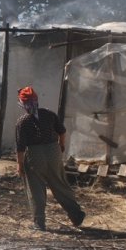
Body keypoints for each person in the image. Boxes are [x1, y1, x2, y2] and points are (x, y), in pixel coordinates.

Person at [15, 86, 85, 231]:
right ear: (36, 101)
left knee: (36, 189)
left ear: (22, 104)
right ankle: (76, 215)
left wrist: (20, 165)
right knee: (60, 184)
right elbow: (62, 131)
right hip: (53, 152)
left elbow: (20, 148)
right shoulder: (49, 114)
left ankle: (39, 223)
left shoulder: (22, 122)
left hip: (35, 156)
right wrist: (61, 145)